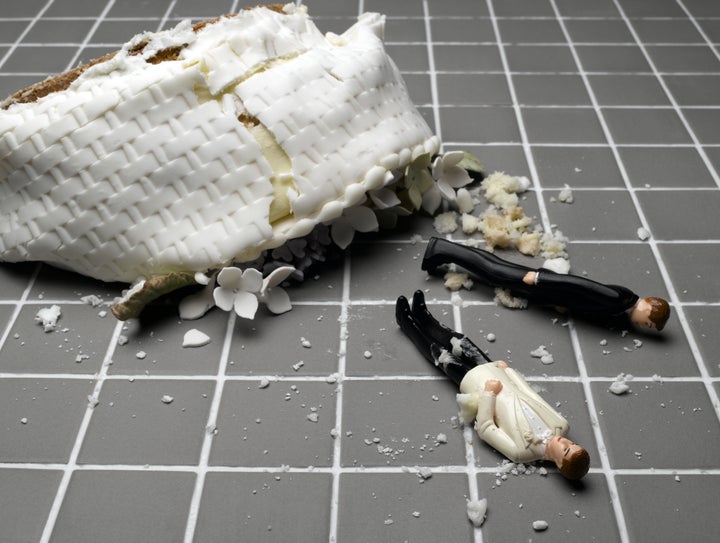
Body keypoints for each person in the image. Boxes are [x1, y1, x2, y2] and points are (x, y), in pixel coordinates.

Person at [396, 290, 590, 480]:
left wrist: (489, 393)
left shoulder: (522, 452)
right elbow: (531, 395)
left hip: (478, 387)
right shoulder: (561, 425)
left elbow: (486, 429)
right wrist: (509, 373)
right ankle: (424, 317)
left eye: (565, 449)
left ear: (559, 463)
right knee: (460, 341)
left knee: (440, 355)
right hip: (497, 373)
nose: (564, 440)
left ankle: (408, 324)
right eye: (571, 443)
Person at [422, 237, 670, 331]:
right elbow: (578, 285)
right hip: (541, 284)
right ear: (647, 307)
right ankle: (440, 249)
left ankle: (441, 251)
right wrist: (540, 278)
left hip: (545, 291)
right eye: (648, 322)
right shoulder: (618, 299)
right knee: (493, 270)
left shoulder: (623, 304)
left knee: (493, 270)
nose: (643, 325)